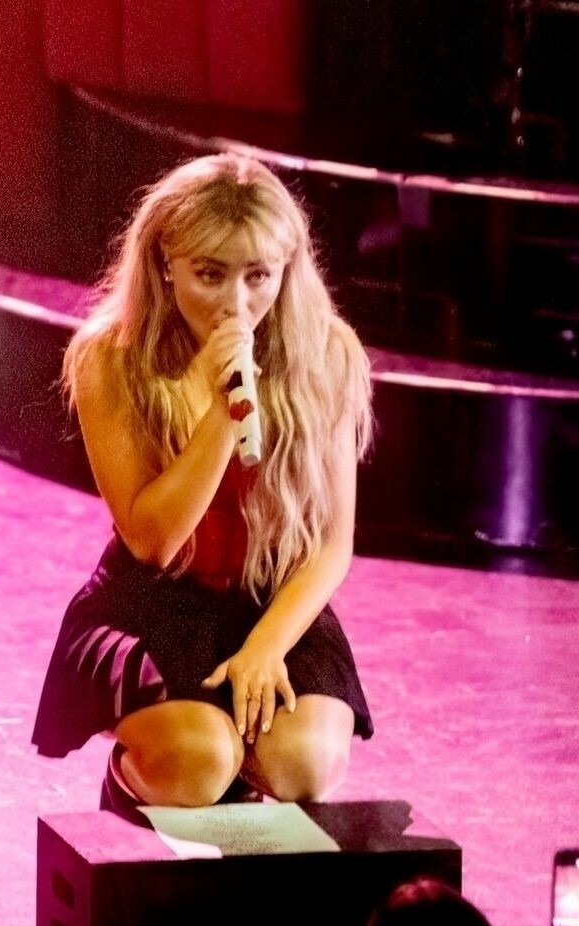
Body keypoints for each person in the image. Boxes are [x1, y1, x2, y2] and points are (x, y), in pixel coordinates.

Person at [31, 152, 377, 813]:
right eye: (211, 275)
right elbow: (152, 540)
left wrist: (266, 648)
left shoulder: (327, 353)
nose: (236, 304)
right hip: (154, 601)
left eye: (258, 276)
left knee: (303, 765)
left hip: (269, 595)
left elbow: (333, 544)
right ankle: (137, 780)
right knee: (199, 763)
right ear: (166, 262)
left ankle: (242, 775)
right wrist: (224, 409)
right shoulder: (111, 358)